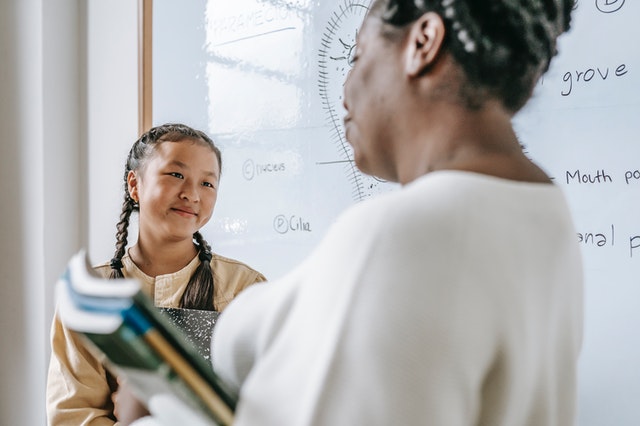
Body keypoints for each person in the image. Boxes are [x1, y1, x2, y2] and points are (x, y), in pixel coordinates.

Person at [133, 0, 585, 424]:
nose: (346, 88)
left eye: (357, 56)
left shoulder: (403, 234)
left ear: (423, 44)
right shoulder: (545, 218)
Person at [46, 123, 267, 425]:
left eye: (207, 183)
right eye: (176, 175)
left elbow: (268, 403)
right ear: (135, 185)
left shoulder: (245, 289)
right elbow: (72, 413)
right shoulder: (92, 295)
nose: (191, 194)